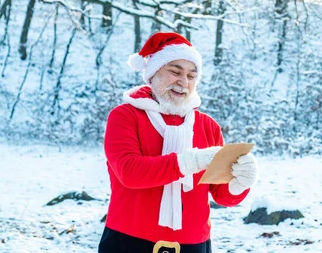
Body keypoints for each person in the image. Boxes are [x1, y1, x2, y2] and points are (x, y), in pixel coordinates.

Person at [98, 32, 258, 253]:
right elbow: (129, 172)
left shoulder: (207, 126)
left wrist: (241, 182)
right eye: (175, 72)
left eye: (192, 76)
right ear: (153, 74)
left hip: (194, 245)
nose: (183, 82)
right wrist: (193, 161)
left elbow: (222, 195)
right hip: (129, 241)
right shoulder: (125, 116)